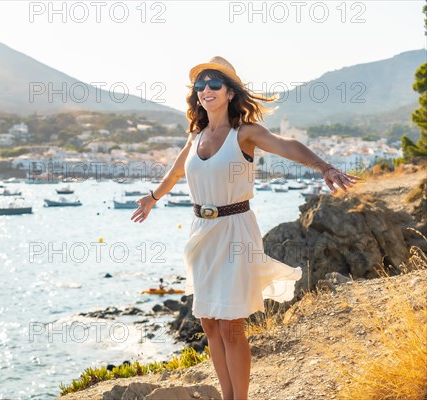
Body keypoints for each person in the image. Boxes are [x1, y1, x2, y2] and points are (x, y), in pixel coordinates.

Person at [131, 56, 359, 400]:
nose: (205, 89)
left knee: (231, 325)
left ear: (229, 92)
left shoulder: (245, 134)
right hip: (200, 234)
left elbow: (287, 145)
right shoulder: (195, 137)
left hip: (235, 230)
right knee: (208, 322)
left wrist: (323, 166)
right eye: (200, 85)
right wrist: (152, 197)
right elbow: (175, 172)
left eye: (214, 84)